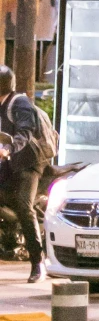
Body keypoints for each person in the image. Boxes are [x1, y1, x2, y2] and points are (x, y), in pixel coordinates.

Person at [0, 64, 52, 283]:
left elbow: (24, 132)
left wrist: (8, 149)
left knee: (23, 205)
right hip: (8, 163)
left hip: (29, 163)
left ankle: (37, 262)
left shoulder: (19, 103)